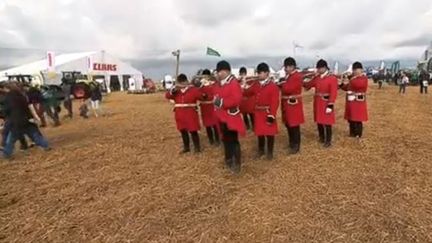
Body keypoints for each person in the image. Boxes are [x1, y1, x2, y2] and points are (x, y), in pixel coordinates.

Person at [1, 83, 50, 159]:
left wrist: (4, 115)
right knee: (34, 134)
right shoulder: (21, 96)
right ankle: (45, 145)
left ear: (7, 89)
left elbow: (6, 110)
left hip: (15, 121)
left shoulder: (7, 98)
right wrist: (30, 117)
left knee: (11, 139)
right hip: (25, 119)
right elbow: (27, 108)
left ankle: (6, 154)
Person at [213, 60, 246, 173]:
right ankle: (228, 159)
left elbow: (236, 100)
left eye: (220, 71)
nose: (218, 74)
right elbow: (215, 94)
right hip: (222, 117)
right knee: (225, 140)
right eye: (218, 72)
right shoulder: (220, 83)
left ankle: (237, 163)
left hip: (231, 117)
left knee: (233, 140)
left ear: (226, 71)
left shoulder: (233, 83)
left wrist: (221, 102)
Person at [304, 59, 338, 148]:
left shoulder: (332, 78)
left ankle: (328, 140)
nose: (318, 70)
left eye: (319, 68)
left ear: (325, 68)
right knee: (319, 120)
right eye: (317, 68)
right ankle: (321, 137)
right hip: (318, 102)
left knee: (327, 122)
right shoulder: (317, 78)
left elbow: (333, 92)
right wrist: (302, 79)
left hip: (326, 102)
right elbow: (308, 85)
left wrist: (330, 104)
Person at [166, 74, 202, 153]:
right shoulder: (176, 91)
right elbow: (167, 96)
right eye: (180, 83)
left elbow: (201, 96)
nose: (182, 85)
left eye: (183, 82)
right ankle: (186, 147)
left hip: (190, 113)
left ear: (186, 81)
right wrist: (172, 91)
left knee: (193, 130)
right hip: (180, 113)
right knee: (183, 131)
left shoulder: (193, 89)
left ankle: (197, 148)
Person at [253, 63, 279, 160]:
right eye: (258, 72)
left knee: (269, 133)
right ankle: (261, 150)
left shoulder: (272, 86)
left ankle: (270, 152)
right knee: (260, 133)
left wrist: (272, 115)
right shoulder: (255, 84)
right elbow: (247, 92)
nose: (259, 74)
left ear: (267, 73)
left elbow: (275, 102)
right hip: (258, 112)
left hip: (267, 112)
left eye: (261, 72)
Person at [280, 57, 305, 154]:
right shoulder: (289, 76)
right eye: (286, 67)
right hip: (287, 103)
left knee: (294, 126)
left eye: (287, 67)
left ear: (292, 67)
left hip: (293, 104)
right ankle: (291, 143)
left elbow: (288, 89)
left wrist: (282, 84)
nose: (286, 69)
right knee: (288, 124)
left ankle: (296, 145)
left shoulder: (296, 76)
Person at [340, 62, 368, 138]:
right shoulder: (353, 78)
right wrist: (341, 84)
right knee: (351, 118)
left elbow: (358, 85)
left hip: (358, 101)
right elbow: (347, 87)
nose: (355, 71)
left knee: (358, 119)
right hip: (350, 101)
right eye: (354, 69)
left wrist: (349, 78)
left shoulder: (363, 78)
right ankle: (352, 133)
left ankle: (358, 134)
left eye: (356, 69)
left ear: (361, 70)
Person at [198, 69, 220, 146]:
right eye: (204, 76)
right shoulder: (200, 85)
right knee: (207, 124)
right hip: (204, 107)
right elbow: (197, 94)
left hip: (212, 106)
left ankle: (217, 139)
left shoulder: (214, 84)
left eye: (207, 76)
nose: (205, 78)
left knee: (214, 124)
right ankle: (211, 140)